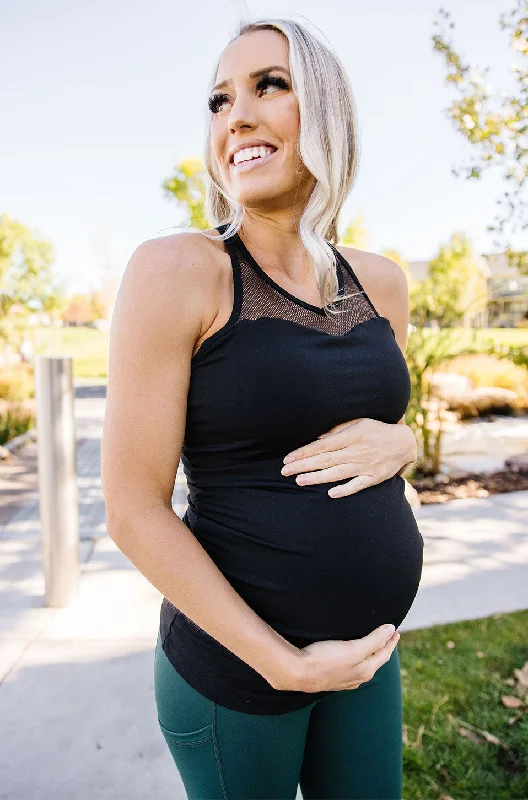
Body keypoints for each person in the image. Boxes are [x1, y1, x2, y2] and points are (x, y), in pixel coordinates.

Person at [101, 16, 423, 800]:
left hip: (368, 650)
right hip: (238, 676)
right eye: (218, 101)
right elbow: (133, 508)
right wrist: (285, 663)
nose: (234, 117)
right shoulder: (179, 269)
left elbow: (370, 417)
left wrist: (405, 442)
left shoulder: (380, 281)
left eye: (268, 86)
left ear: (327, 110)